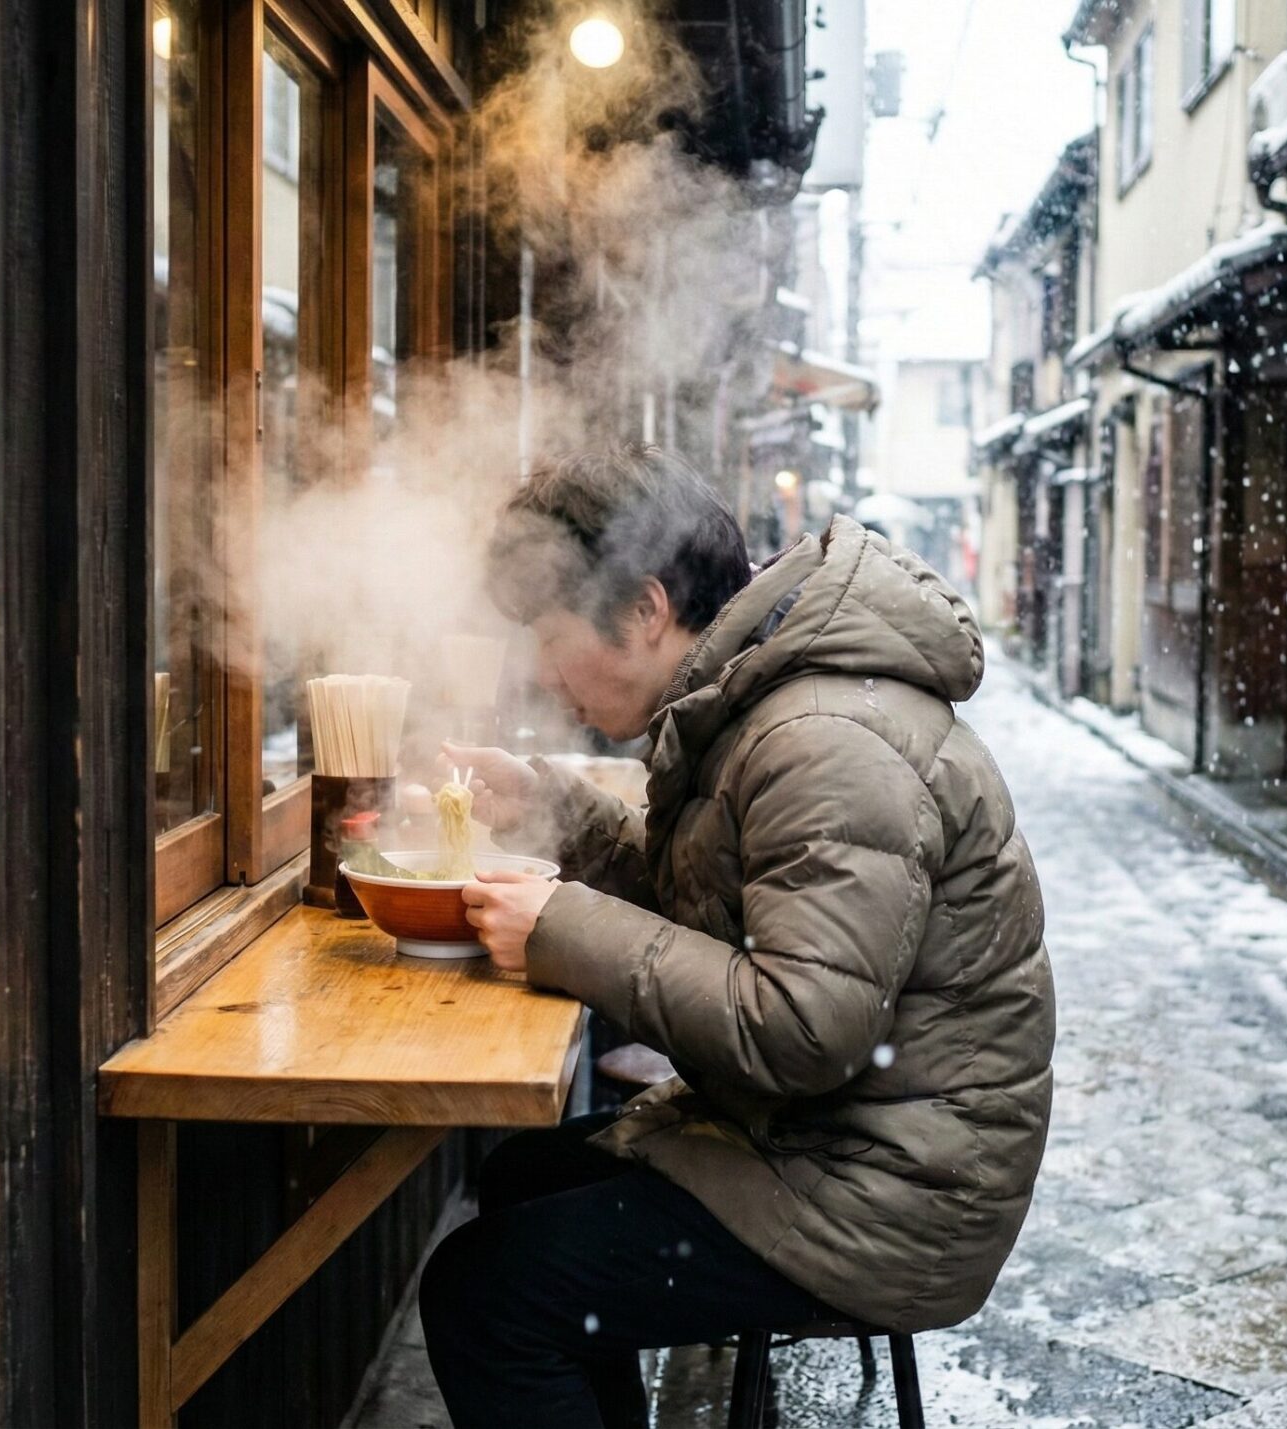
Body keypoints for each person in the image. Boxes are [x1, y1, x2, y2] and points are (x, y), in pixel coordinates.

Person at [421, 443, 1053, 1427]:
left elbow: (804, 1027)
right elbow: (720, 905)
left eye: (550, 637)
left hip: (887, 1191)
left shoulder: (820, 738)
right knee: (519, 1182)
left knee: (489, 1294)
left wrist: (559, 929)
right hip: (826, 1141)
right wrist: (561, 815)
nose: (544, 673)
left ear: (645, 609)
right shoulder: (756, 702)